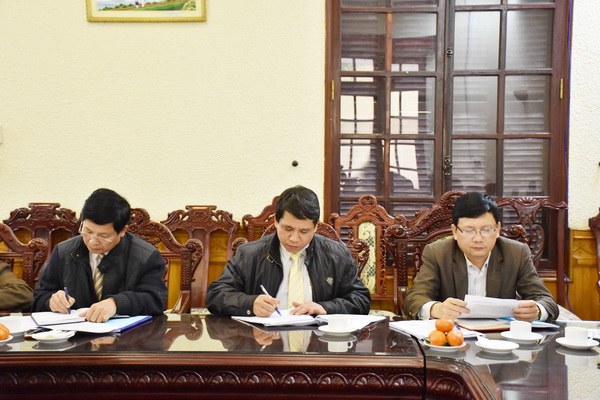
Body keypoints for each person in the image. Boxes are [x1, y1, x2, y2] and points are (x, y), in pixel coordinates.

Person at [206, 185, 370, 317]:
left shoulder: (338, 256)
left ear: (315, 227)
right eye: (288, 229)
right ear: (276, 222)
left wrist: (326, 308)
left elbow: (361, 300)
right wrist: (250, 304)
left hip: (318, 342)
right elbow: (216, 295)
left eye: (304, 231)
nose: (294, 238)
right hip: (264, 341)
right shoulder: (249, 255)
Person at [403, 192, 559, 322]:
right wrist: (437, 309)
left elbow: (546, 300)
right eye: (469, 231)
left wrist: (537, 311)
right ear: (455, 231)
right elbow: (415, 297)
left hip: (500, 339)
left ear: (497, 229)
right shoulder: (437, 252)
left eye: (486, 230)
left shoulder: (516, 253)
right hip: (453, 336)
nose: (478, 239)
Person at [32, 188, 167, 322]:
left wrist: (116, 304)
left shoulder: (146, 256)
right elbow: (39, 297)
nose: (93, 241)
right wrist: (51, 301)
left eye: (104, 236)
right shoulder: (63, 252)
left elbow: (156, 299)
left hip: (127, 334)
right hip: (75, 332)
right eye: (88, 231)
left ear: (122, 231)